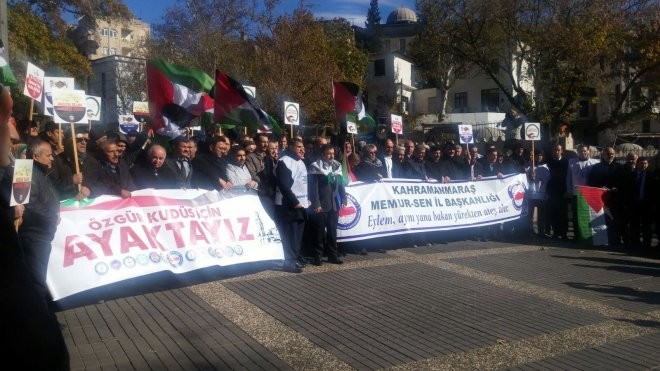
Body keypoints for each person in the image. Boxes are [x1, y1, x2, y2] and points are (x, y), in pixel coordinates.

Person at [0, 83, 69, 369]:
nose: (14, 134)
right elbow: (24, 204)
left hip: (40, 234)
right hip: (36, 236)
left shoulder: (34, 170)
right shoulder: (21, 171)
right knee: (36, 283)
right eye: (8, 122)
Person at [307, 144, 346, 266]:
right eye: (328, 153)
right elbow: (313, 189)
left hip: (334, 204)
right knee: (319, 232)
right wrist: (316, 203)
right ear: (323, 154)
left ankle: (332, 255)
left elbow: (340, 184)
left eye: (332, 153)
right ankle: (317, 255)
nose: (331, 156)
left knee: (332, 231)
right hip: (321, 204)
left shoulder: (336, 166)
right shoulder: (316, 167)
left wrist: (343, 199)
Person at [275, 138, 309, 273]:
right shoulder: (284, 162)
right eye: (299, 147)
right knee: (290, 234)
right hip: (288, 205)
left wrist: (307, 199)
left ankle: (294, 258)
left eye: (303, 147)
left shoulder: (301, 162)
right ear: (291, 147)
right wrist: (295, 202)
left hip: (302, 204)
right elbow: (284, 186)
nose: (302, 149)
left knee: (297, 235)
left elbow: (303, 183)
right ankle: (289, 262)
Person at [587, 147, 624, 246]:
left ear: (614, 154)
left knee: (615, 219)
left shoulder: (620, 167)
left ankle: (615, 240)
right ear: (603, 155)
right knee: (602, 220)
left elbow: (624, 182)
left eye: (612, 153)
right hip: (600, 199)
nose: (610, 155)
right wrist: (600, 187)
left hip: (615, 199)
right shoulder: (596, 167)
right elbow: (591, 182)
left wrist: (616, 188)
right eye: (607, 154)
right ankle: (602, 240)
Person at [546, 143, 569, 240]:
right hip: (553, 191)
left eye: (558, 150)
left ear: (562, 151)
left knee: (563, 213)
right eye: (555, 150)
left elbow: (569, 177)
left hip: (563, 191)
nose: (557, 151)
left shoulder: (567, 162)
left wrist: (568, 190)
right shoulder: (549, 162)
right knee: (553, 212)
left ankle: (564, 233)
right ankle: (555, 232)